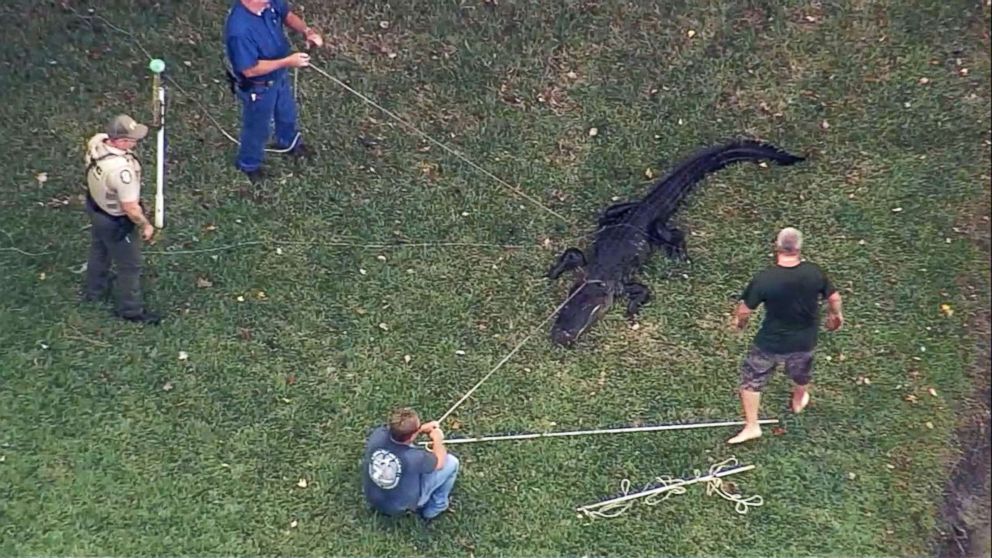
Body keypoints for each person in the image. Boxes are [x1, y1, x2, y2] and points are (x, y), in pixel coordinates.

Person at [727, 227, 843, 444]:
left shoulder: (765, 279)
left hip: (770, 342)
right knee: (801, 371)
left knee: (752, 379)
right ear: (799, 248)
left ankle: (752, 426)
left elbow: (745, 310)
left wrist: (740, 323)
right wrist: (835, 316)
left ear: (776, 247)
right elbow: (834, 297)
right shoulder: (814, 273)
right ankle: (799, 399)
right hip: (804, 340)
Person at [223, 0, 324, 183]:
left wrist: (307, 31)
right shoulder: (239, 30)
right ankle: (248, 164)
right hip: (258, 86)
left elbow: (287, 15)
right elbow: (249, 69)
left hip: (279, 76)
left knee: (287, 112)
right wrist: (287, 62)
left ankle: (289, 142)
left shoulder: (269, 4)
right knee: (257, 127)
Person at [82, 114, 160, 324]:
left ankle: (94, 290)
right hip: (116, 221)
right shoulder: (121, 171)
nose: (135, 142)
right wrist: (145, 224)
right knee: (130, 266)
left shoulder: (97, 142)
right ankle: (131, 310)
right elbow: (130, 208)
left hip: (96, 207)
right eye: (132, 139)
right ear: (121, 141)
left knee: (99, 248)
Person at [362, 408, 460, 522]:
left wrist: (421, 429)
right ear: (412, 435)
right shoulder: (415, 457)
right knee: (452, 463)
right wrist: (438, 439)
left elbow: (405, 436)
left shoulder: (378, 435)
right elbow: (440, 462)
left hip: (373, 497)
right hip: (399, 506)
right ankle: (436, 507)